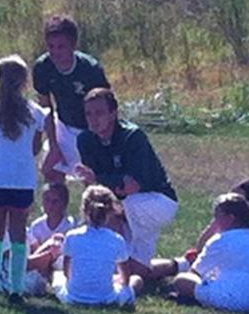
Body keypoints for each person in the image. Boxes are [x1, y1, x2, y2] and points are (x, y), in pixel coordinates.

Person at [75, 87, 178, 282]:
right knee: (136, 270)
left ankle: (106, 265)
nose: (93, 119)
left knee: (107, 212)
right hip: (124, 202)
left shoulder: (132, 136)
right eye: (88, 114)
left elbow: (132, 186)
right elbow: (93, 188)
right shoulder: (85, 140)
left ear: (113, 113)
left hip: (156, 201)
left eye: (99, 113)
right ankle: (179, 265)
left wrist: (97, 178)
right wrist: (97, 182)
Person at [0, 55, 48, 303]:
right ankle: (16, 289)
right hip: (22, 180)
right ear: (24, 81)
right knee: (19, 236)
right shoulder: (36, 113)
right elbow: (35, 148)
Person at [171, 193, 249, 314]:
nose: (214, 221)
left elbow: (195, 272)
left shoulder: (221, 240)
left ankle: (194, 298)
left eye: (217, 217)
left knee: (181, 280)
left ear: (229, 218)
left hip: (239, 299)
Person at [32, 14, 110, 182]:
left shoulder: (90, 69)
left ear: (73, 45)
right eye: (51, 46)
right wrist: (53, 144)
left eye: (61, 46)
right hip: (63, 125)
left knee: (90, 179)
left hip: (89, 130)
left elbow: (106, 109)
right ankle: (58, 200)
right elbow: (45, 107)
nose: (55, 52)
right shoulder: (42, 67)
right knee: (49, 169)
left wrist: (100, 139)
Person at [54, 185, 142, 307]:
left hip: (73, 297)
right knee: (136, 280)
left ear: (84, 210)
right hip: (107, 298)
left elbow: (66, 272)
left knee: (56, 276)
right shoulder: (116, 239)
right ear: (110, 211)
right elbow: (125, 279)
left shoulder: (72, 236)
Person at [24, 182, 78, 294]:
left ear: (64, 203)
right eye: (47, 200)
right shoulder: (37, 225)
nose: (50, 205)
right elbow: (34, 249)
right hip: (41, 261)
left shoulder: (71, 225)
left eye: (55, 201)